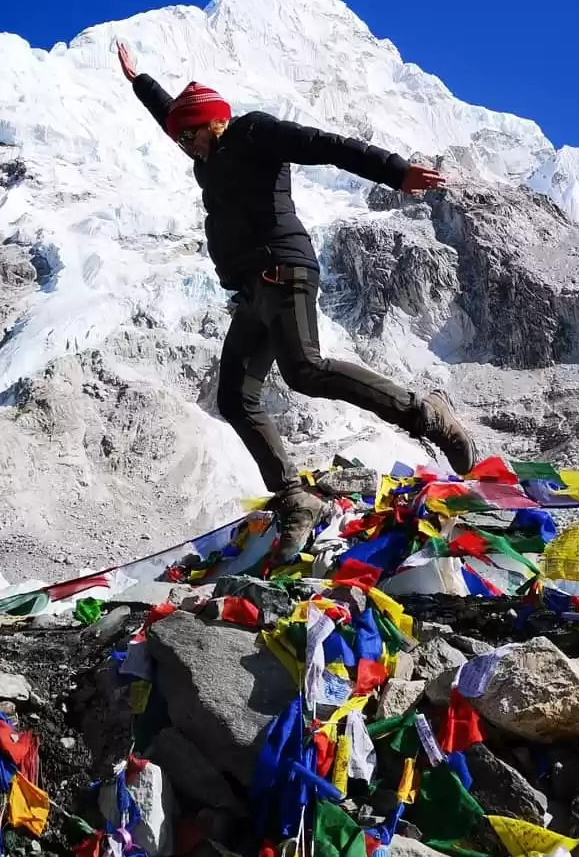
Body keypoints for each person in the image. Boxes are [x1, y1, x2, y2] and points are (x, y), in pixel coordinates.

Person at [115, 43, 477, 561]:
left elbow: (324, 145)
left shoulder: (253, 133)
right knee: (236, 398)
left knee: (304, 369)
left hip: (284, 270)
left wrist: (396, 172)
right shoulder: (207, 156)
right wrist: (139, 81)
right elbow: (169, 115)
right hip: (250, 291)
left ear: (210, 124)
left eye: (188, 135)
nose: (184, 145)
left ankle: (428, 417)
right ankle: (295, 499)